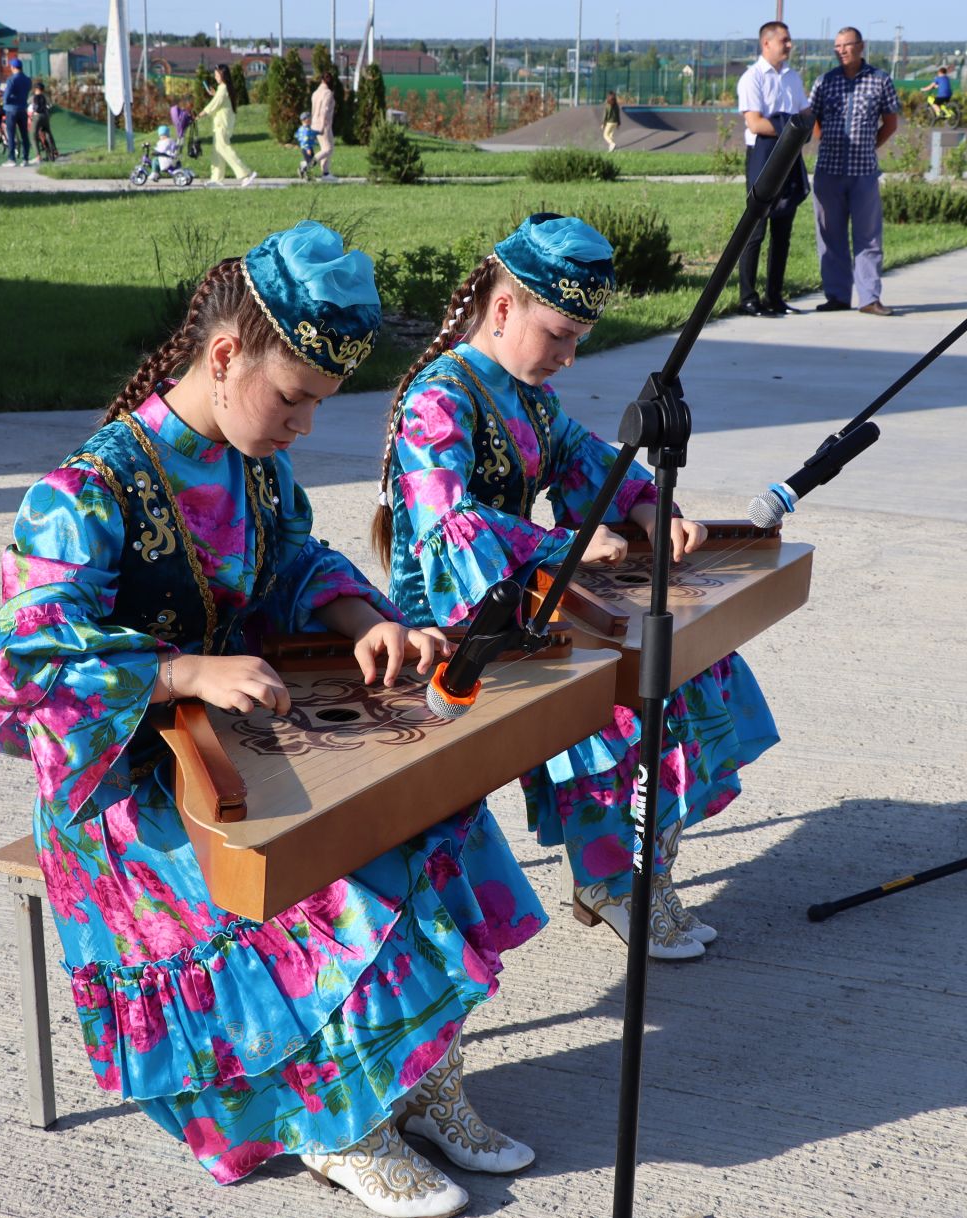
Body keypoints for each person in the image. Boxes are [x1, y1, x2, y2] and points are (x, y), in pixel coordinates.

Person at [0, 222, 544, 1218]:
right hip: (130, 789)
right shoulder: (86, 491)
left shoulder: (254, 467)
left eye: (318, 408)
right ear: (225, 354)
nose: (301, 429)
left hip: (232, 743)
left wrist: (365, 617)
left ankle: (415, 1075)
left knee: (433, 810)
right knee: (329, 875)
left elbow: (293, 563)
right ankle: (340, 1120)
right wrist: (184, 668)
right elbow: (22, 658)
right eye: (293, 400)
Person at [371, 214, 781, 962]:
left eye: (576, 342)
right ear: (502, 310)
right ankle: (614, 881)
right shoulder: (441, 397)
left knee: (683, 666)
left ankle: (635, 874)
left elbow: (583, 456)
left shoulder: (528, 396)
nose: (567, 355)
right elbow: (446, 525)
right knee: (616, 706)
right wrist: (565, 544)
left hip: (519, 594)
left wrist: (647, 508)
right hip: (453, 625)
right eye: (557, 335)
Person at [809, 26, 902, 316]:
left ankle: (869, 298)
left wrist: (868, 146)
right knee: (830, 235)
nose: (841, 51)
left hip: (863, 172)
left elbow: (890, 122)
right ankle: (836, 296)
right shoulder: (825, 82)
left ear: (860, 47)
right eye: (837, 46)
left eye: (846, 45)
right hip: (829, 170)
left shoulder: (880, 80)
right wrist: (829, 140)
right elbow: (812, 118)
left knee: (868, 237)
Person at [735, 20, 811, 317]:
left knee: (784, 229)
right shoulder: (752, 78)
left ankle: (774, 297)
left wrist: (791, 127)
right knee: (755, 228)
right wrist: (791, 128)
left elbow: (806, 115)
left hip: (790, 155)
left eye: (789, 40)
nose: (789, 45)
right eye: (785, 40)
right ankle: (748, 298)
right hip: (763, 155)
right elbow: (755, 123)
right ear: (766, 43)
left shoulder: (793, 78)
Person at [203, 63, 256, 187]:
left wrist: (199, 115)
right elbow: (219, 100)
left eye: (217, 75)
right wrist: (214, 94)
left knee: (225, 149)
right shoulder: (223, 88)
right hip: (221, 125)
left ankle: (246, 175)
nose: (215, 77)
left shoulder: (223, 89)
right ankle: (216, 179)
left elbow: (213, 105)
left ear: (223, 76)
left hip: (222, 125)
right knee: (217, 151)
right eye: (215, 75)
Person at [2, 56, 32, 167]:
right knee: (24, 134)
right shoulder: (28, 79)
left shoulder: (11, 79)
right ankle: (26, 159)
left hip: (11, 110)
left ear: (13, 67)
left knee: (11, 134)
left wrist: (5, 101)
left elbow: (6, 97)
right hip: (23, 109)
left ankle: (12, 159)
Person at [309, 72, 338, 180]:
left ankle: (325, 173)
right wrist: (323, 125)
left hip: (314, 123)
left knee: (324, 149)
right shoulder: (328, 93)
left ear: (322, 80)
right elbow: (324, 110)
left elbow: (313, 110)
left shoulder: (315, 93)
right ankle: (307, 165)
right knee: (328, 149)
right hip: (324, 124)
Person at [31, 83, 59, 162]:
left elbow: (34, 107)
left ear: (36, 89)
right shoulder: (46, 97)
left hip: (38, 116)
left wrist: (35, 111)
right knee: (48, 132)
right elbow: (50, 106)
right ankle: (55, 150)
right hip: (46, 116)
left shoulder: (34, 97)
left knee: (33, 135)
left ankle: (38, 155)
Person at [295, 111, 320, 180]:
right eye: (309, 119)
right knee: (311, 163)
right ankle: (308, 176)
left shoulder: (307, 128)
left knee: (312, 161)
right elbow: (305, 140)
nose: (311, 120)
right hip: (306, 148)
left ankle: (302, 167)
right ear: (305, 120)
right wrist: (307, 148)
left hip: (309, 147)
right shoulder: (305, 130)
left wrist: (319, 132)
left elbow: (297, 135)